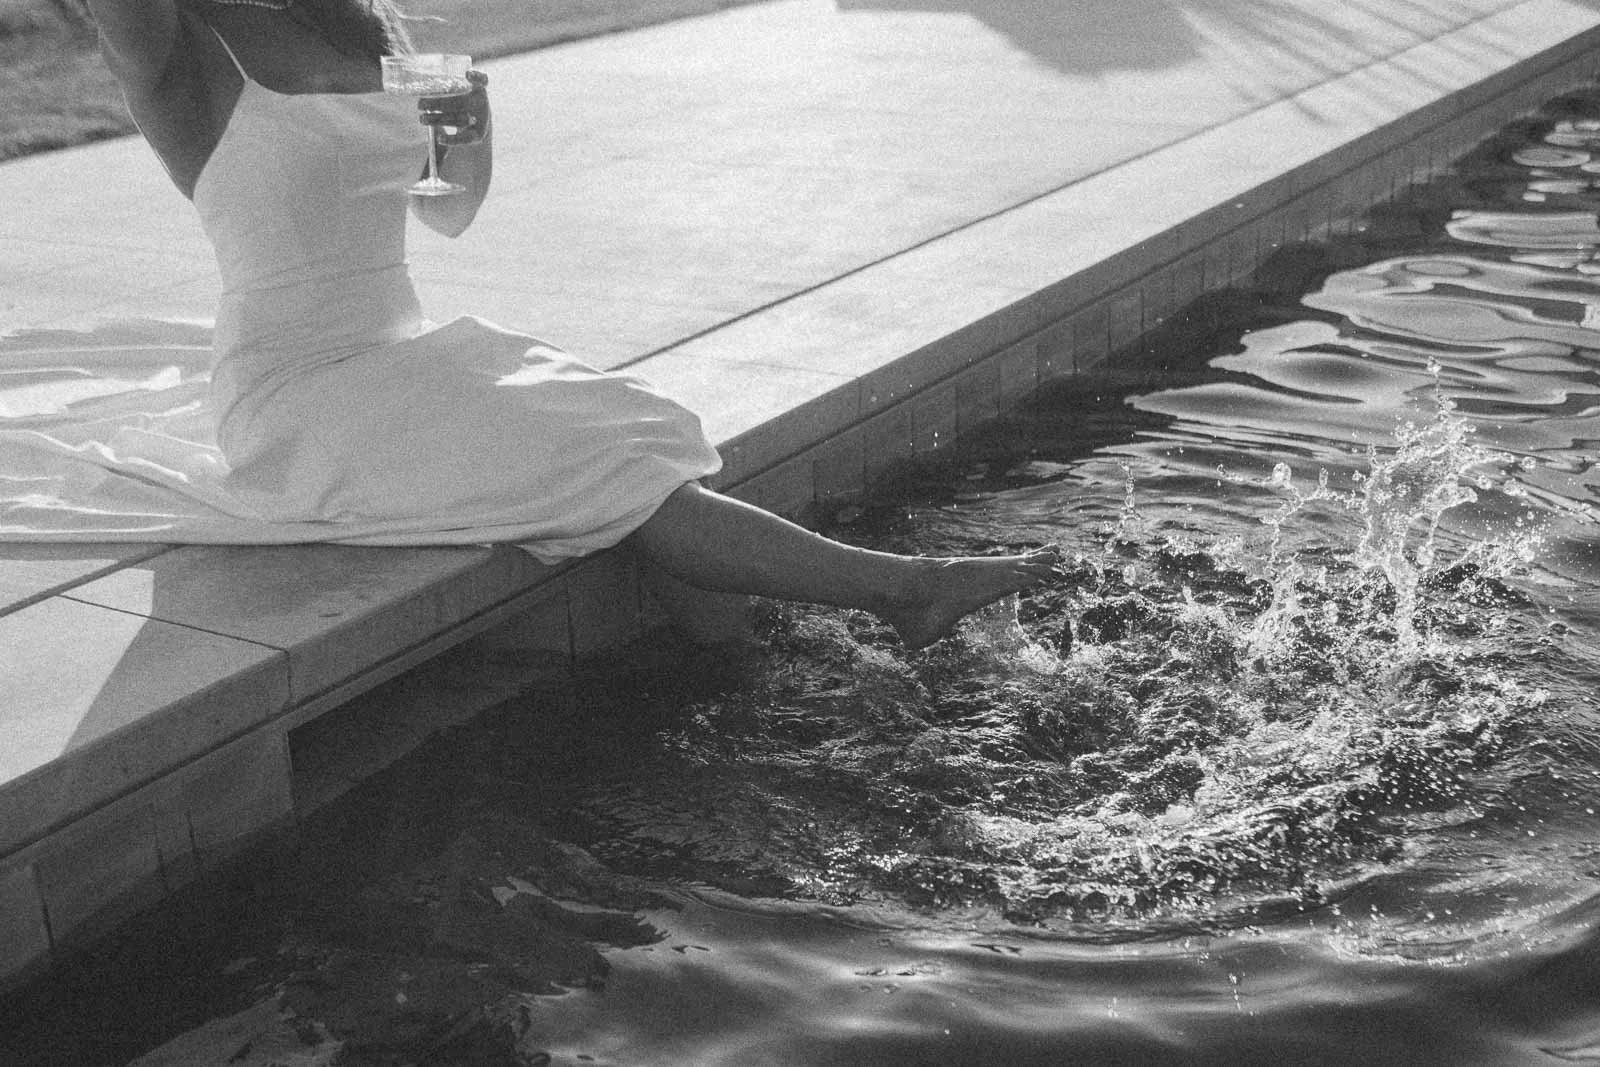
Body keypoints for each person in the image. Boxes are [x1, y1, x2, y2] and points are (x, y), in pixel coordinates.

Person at [46, 0, 1060, 649]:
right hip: (295, 390)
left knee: (638, 430)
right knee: (596, 457)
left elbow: (445, 208)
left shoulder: (363, 31)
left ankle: (744, 674)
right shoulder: (176, 42)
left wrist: (466, 119)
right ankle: (905, 590)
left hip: (400, 348)